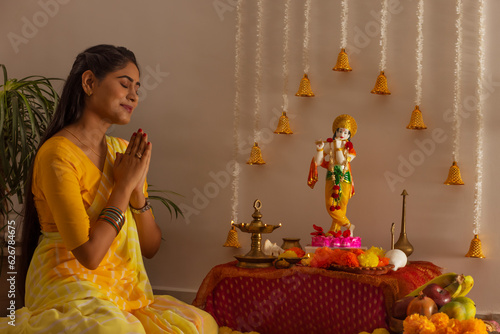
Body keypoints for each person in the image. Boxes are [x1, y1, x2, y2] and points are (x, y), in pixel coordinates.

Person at [0, 45, 218, 333]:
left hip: (120, 289)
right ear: (89, 83)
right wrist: (124, 185)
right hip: (67, 284)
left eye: (137, 88)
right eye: (124, 84)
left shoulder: (122, 152)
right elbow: (89, 256)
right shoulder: (58, 155)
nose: (134, 96)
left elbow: (150, 248)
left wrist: (137, 192)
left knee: (197, 324)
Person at [308, 114, 357, 234]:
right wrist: (320, 149)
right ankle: (349, 225)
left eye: (345, 132)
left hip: (344, 177)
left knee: (342, 204)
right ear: (335, 131)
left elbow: (341, 161)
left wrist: (338, 146)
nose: (342, 134)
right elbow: (318, 162)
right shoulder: (329, 145)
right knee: (330, 204)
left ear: (349, 135)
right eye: (340, 131)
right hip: (331, 176)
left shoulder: (348, 148)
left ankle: (335, 231)